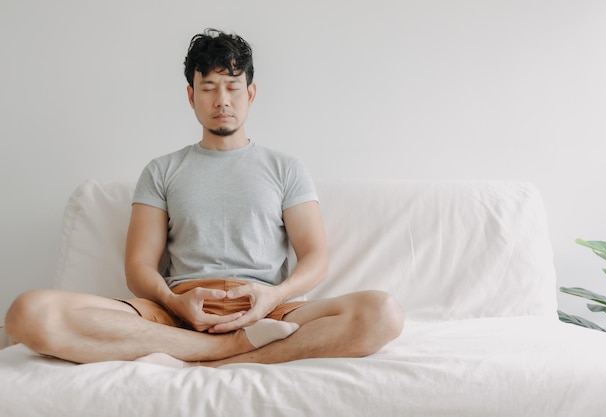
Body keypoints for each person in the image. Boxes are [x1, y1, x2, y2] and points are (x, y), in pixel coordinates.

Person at [5, 28, 404, 368]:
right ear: (190, 96)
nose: (222, 100)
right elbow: (139, 267)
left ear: (251, 92)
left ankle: (210, 355)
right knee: (28, 314)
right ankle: (224, 351)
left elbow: (316, 256)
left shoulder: (286, 168)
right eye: (208, 87)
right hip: (177, 310)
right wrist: (175, 303)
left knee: (382, 313)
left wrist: (273, 297)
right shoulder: (162, 170)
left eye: (232, 87)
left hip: (269, 309)